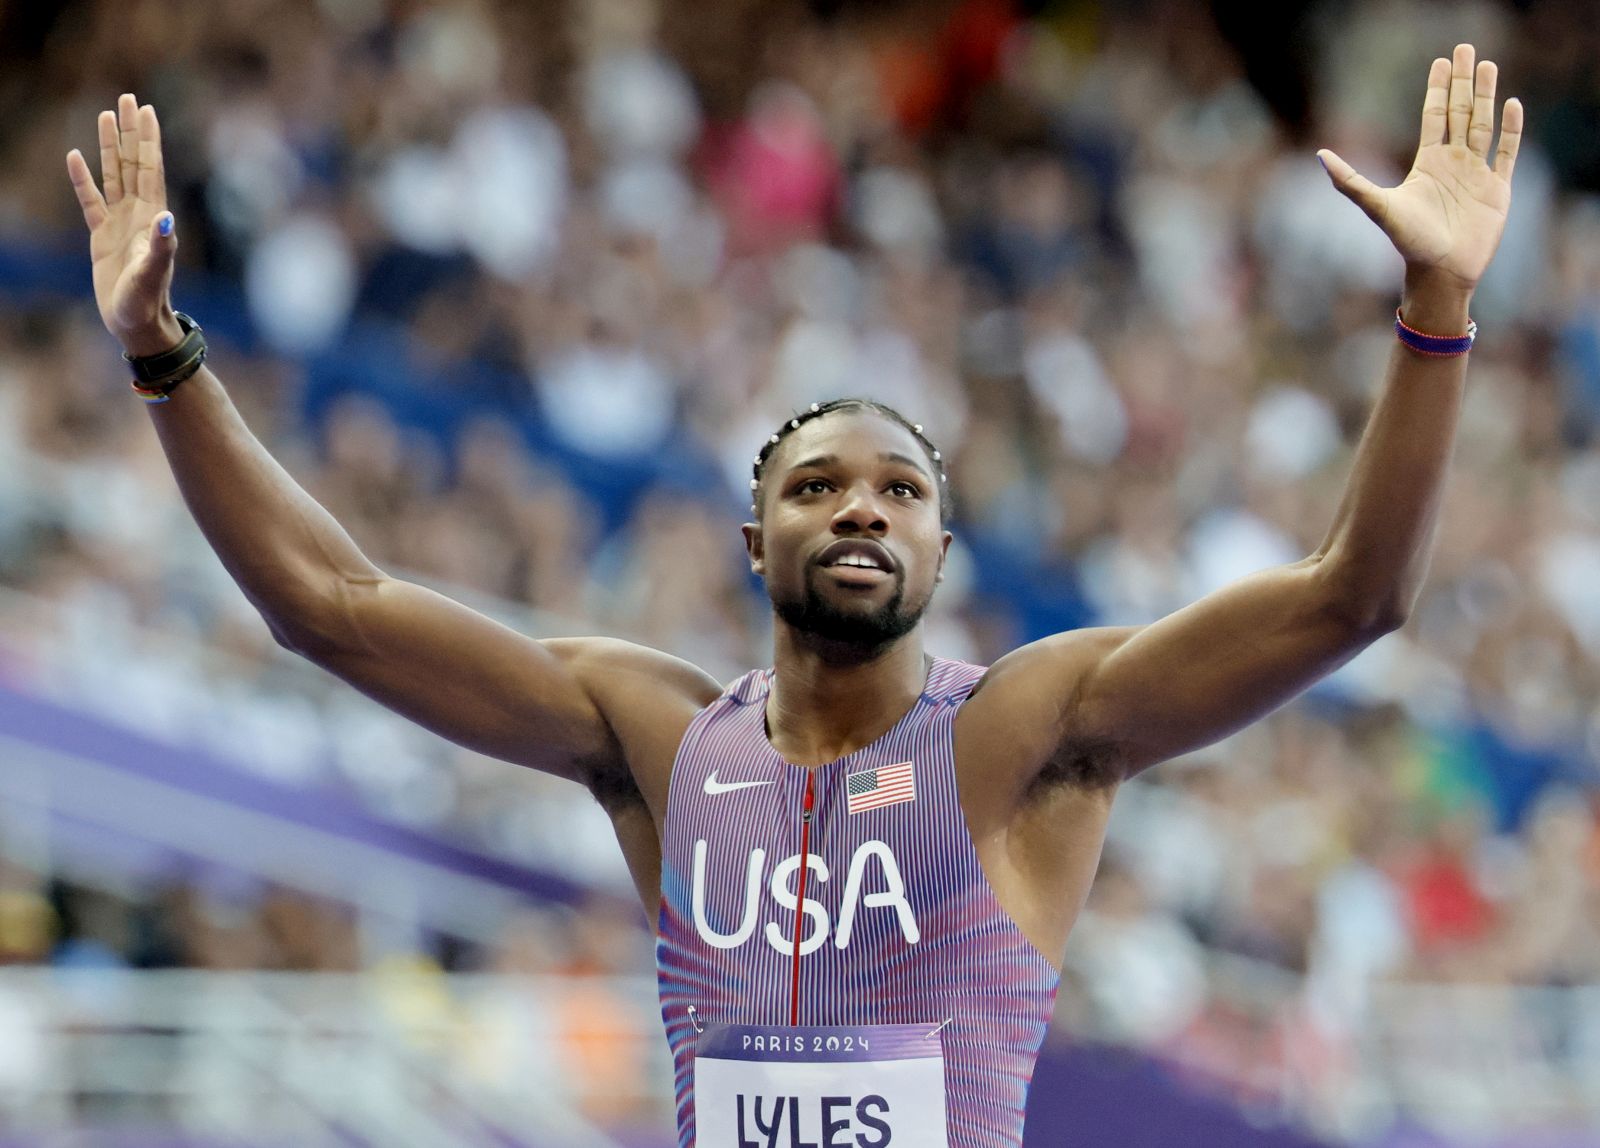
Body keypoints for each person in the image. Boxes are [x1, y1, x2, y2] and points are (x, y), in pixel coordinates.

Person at [65, 43, 1520, 1148]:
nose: (862, 505)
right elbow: (330, 602)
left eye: (901, 489)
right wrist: (160, 355)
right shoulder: (653, 740)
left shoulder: (1026, 735)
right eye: (817, 486)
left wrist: (1437, 307)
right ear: (753, 546)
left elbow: (1353, 599)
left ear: (945, 555)